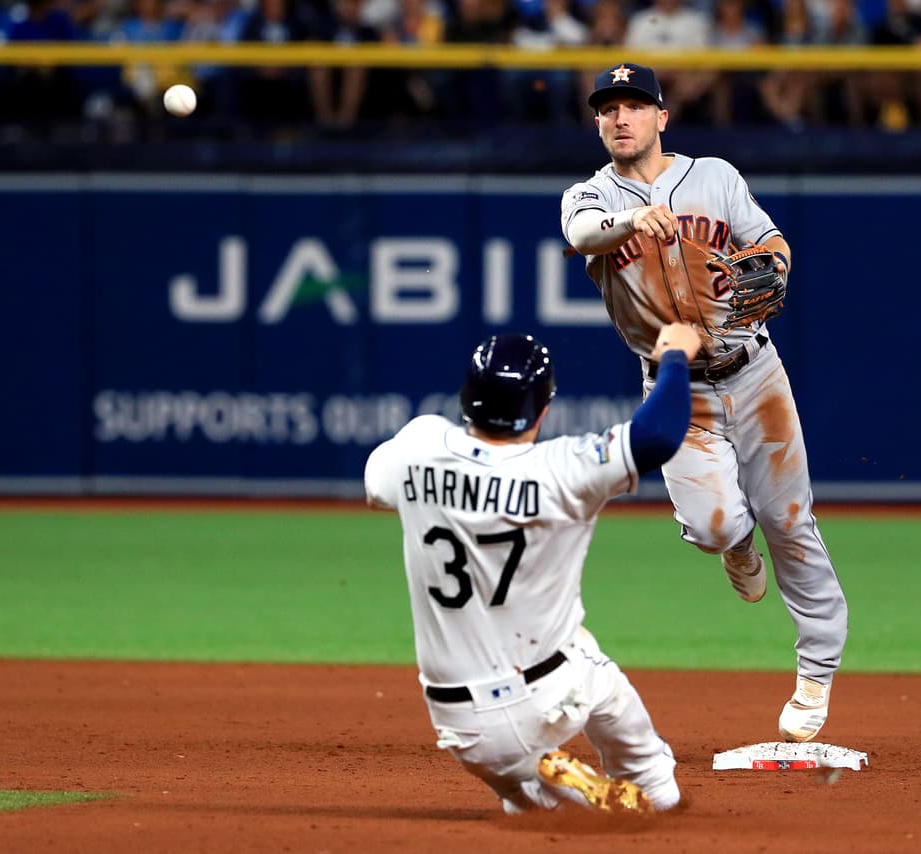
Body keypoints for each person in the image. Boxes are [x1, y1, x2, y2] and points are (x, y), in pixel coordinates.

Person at [559, 62, 849, 744]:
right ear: (598, 123)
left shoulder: (714, 176)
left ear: (663, 117)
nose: (620, 118)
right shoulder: (587, 196)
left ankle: (817, 672)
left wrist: (771, 269)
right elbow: (583, 237)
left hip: (754, 371)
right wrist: (636, 216)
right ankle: (732, 548)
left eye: (634, 106)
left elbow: (771, 243)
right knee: (719, 526)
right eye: (608, 109)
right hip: (675, 387)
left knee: (792, 521)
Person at [363, 322, 703, 814]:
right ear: (543, 408)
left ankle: (538, 788)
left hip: (455, 720)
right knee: (594, 672)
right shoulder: (562, 469)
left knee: (530, 802)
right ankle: (649, 786)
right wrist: (673, 355)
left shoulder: (419, 446)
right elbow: (657, 434)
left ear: (465, 398)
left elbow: (377, 488)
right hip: (547, 693)